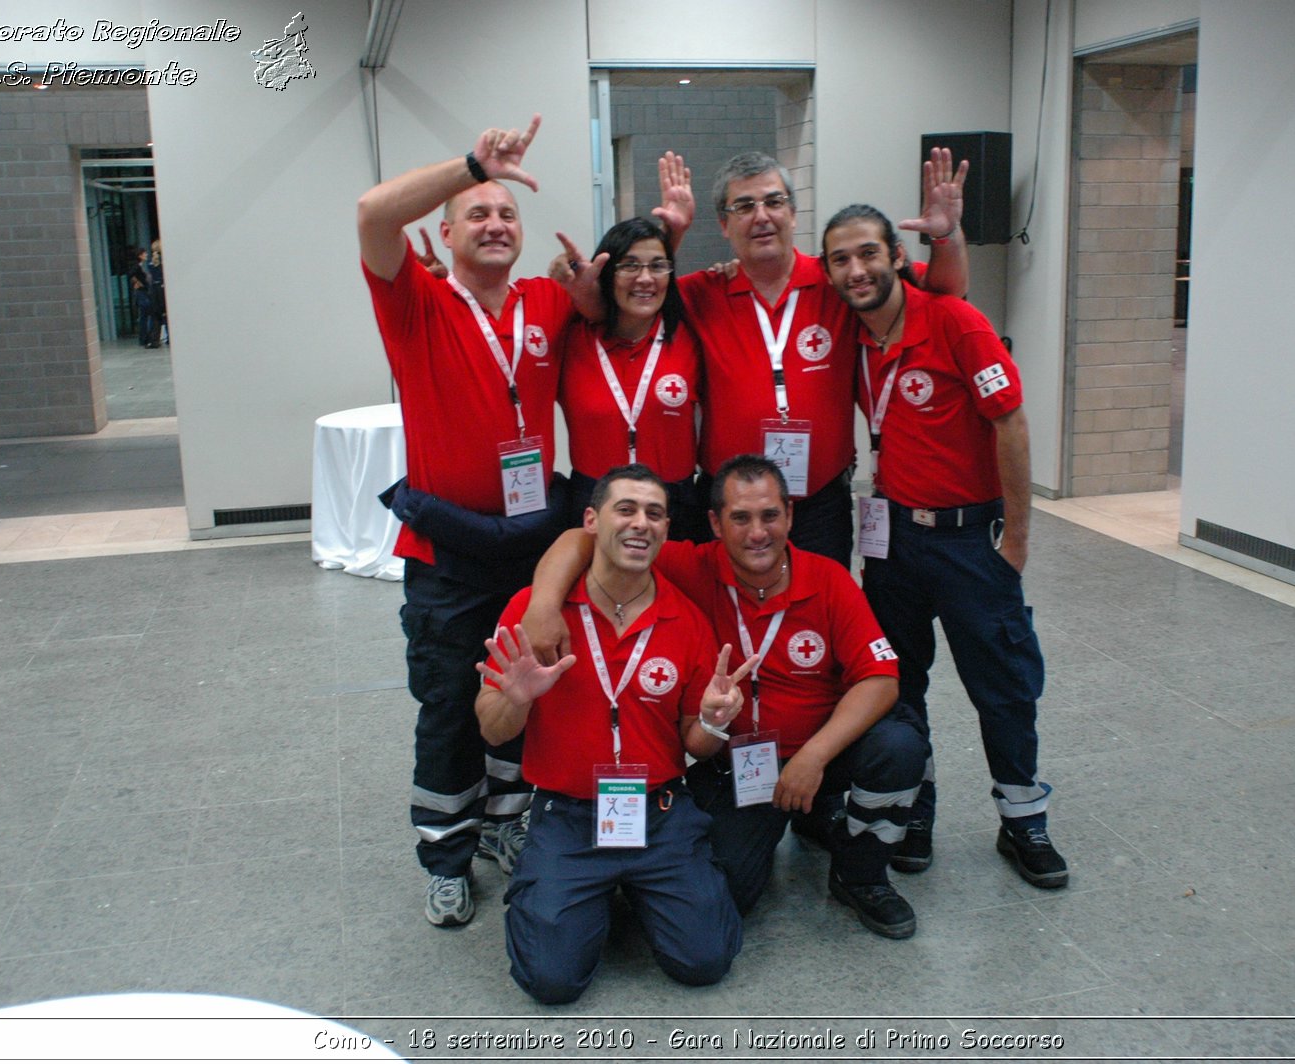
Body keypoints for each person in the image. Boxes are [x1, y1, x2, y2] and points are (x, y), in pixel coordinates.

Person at [523, 455, 930, 938]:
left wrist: (813, 758)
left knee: (900, 745)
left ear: (790, 517)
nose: (757, 533)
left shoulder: (827, 580)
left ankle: (860, 873)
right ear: (715, 523)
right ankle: (806, 816)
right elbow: (581, 539)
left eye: (770, 516)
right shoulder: (687, 568)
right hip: (738, 764)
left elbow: (881, 680)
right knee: (725, 898)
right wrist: (543, 604)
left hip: (821, 751)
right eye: (740, 518)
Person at [357, 114, 585, 927]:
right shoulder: (414, 302)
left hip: (530, 547)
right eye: (478, 213)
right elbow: (372, 214)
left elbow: (614, 302)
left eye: (507, 215)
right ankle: (446, 855)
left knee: (526, 694)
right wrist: (469, 166)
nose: (495, 225)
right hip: (448, 550)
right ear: (446, 230)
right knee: (452, 704)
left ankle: (504, 826)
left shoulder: (549, 304)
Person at [820, 203, 1065, 889]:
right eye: (840, 258)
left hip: (969, 540)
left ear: (898, 256)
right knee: (899, 684)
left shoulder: (954, 321)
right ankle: (914, 809)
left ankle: (1023, 819)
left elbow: (1010, 422)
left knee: (1004, 686)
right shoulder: (853, 332)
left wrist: (1014, 540)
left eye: (869, 252)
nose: (856, 269)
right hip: (893, 540)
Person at [475, 465, 751, 1003]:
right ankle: (583, 896)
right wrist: (516, 699)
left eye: (654, 513)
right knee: (551, 982)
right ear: (591, 521)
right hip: (569, 816)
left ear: (666, 530)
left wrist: (716, 720)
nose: (640, 523)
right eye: (625, 509)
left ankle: (626, 895)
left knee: (705, 961)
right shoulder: (537, 616)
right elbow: (490, 727)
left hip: (661, 812)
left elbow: (695, 744)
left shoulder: (687, 621)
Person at [663, 148, 970, 567]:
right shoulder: (702, 293)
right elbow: (628, 300)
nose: (761, 216)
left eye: (773, 202)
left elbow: (944, 292)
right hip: (732, 504)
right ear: (723, 223)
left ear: (792, 212)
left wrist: (945, 235)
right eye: (744, 206)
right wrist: (672, 235)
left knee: (818, 617)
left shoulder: (839, 279)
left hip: (820, 502)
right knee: (728, 619)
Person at [554, 215, 704, 537]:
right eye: (630, 265)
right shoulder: (569, 336)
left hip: (675, 504)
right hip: (593, 501)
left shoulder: (690, 332)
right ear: (607, 274)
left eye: (657, 266)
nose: (646, 278)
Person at [129, 247, 158, 348]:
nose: (146, 255)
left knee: (144, 316)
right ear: (140, 255)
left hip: (143, 292)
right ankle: (145, 338)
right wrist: (138, 283)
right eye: (144, 254)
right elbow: (131, 275)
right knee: (146, 315)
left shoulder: (139, 266)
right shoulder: (136, 266)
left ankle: (144, 338)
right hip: (142, 293)